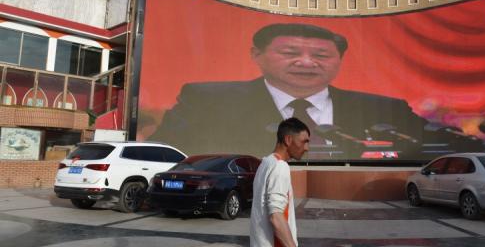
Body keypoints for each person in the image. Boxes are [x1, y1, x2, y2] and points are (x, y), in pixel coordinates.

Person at [149, 23, 464, 158]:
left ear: (339, 61)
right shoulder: (205, 100)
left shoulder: (386, 108)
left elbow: (440, 143)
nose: (306, 62)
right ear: (256, 55)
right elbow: (162, 150)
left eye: (322, 56)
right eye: (290, 53)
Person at [250, 117, 308, 247]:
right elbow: (276, 217)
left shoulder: (265, 163)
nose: (307, 147)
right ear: (288, 140)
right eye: (304, 141)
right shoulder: (280, 166)